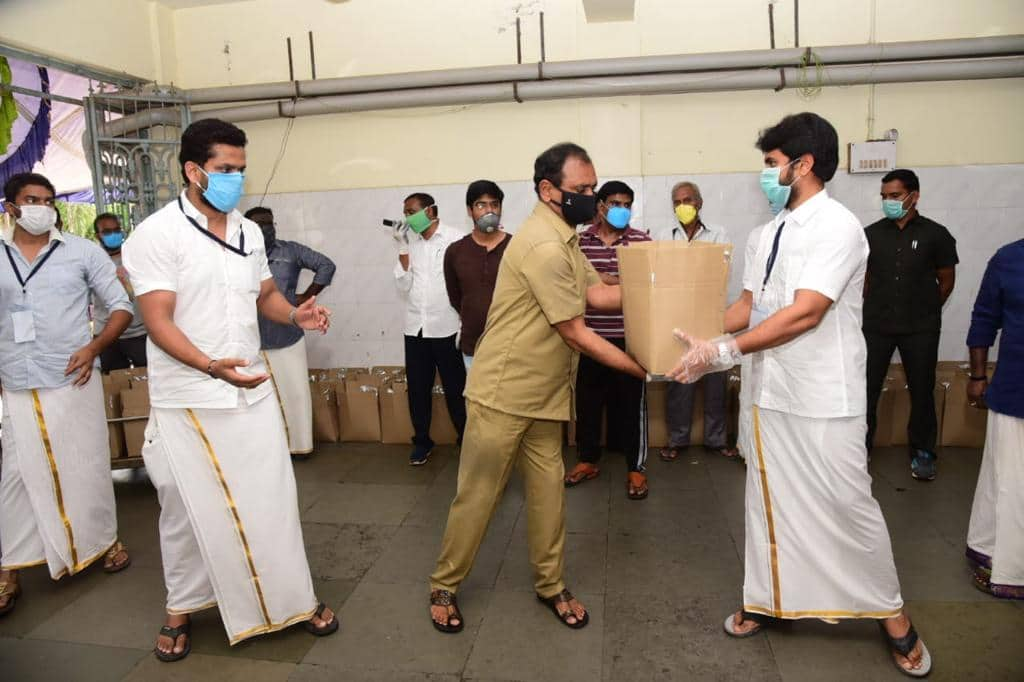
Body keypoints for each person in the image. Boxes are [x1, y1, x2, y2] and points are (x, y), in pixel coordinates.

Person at [668, 113, 931, 677]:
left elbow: (805, 314)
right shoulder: (767, 232)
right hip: (767, 396)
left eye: (771, 163)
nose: (766, 174)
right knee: (768, 505)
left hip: (822, 395)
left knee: (848, 504)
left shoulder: (838, 228)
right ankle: (769, 600)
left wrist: (722, 353)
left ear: (802, 164)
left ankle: (892, 615)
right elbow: (748, 307)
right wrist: (695, 337)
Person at [122, 119, 338, 662]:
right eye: (224, 171)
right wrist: (208, 365)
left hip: (250, 390)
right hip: (189, 397)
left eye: (240, 170)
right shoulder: (156, 235)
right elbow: (158, 320)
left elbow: (264, 295)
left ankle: (294, 598)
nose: (235, 180)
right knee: (185, 507)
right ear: (193, 171)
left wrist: (297, 313)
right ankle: (181, 608)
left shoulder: (246, 231)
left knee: (271, 499)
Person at [428, 142, 647, 634]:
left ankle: (550, 584)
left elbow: (600, 294)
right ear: (549, 190)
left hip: (546, 393)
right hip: (503, 392)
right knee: (479, 493)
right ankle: (444, 584)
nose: (593, 198)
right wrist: (645, 368)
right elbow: (576, 330)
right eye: (583, 190)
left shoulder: (566, 237)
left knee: (549, 493)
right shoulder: (545, 245)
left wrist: (664, 289)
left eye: (595, 188)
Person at [0, 172, 133, 618]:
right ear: (11, 206)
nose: (42, 206)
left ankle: (103, 542)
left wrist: (95, 347)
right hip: (16, 380)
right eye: (31, 199)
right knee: (16, 473)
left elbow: (121, 305)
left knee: (85, 463)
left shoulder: (82, 251)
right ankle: (10, 568)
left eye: (48, 200)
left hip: (72, 376)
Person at [864, 169, 958, 481]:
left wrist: (924, 310)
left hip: (920, 327)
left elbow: (945, 282)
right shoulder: (871, 234)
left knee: (921, 390)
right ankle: (859, 450)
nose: (888, 202)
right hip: (876, 325)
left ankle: (923, 453)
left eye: (894, 196)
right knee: (866, 389)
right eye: (884, 197)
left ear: (913, 196)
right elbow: (864, 282)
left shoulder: (936, 234)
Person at [563, 180, 651, 500]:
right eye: (615, 203)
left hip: (631, 339)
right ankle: (587, 460)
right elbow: (574, 283)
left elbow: (647, 288)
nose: (622, 210)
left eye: (627, 204)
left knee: (632, 406)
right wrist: (620, 282)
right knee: (587, 404)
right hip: (589, 337)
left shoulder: (642, 241)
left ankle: (636, 468)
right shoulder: (579, 242)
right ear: (599, 206)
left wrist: (603, 280)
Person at [246, 206, 336, 459]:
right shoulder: (239, 255)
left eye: (269, 223)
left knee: (295, 393)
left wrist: (306, 296)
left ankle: (299, 447)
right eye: (259, 224)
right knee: (260, 399)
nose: (266, 228)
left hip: (287, 334)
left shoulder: (290, 251)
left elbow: (326, 265)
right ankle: (268, 450)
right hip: (251, 340)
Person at [660, 181, 738, 461]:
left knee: (716, 378)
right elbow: (664, 276)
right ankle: (677, 439)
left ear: (700, 202)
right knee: (681, 379)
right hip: (678, 317)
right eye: (677, 201)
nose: (683, 206)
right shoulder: (664, 236)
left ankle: (716, 440)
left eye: (688, 200)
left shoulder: (719, 235)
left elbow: (720, 273)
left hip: (712, 315)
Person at [964, 237, 1024, 599]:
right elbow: (984, 319)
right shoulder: (1010, 258)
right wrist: (977, 375)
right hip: (1017, 389)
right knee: (1007, 479)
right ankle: (1006, 565)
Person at [392, 192, 466, 465]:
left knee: (456, 388)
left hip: (447, 327)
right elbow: (403, 285)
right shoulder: (409, 243)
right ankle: (422, 441)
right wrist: (401, 248)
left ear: (431, 211)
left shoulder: (455, 239)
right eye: (406, 213)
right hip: (415, 328)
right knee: (418, 389)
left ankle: (466, 440)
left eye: (412, 212)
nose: (408, 218)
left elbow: (464, 284)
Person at [443, 180, 510, 371]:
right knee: (478, 400)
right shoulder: (456, 252)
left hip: (513, 346)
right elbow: (456, 298)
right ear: (469, 210)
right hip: (474, 346)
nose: (489, 211)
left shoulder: (517, 247)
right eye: (481, 205)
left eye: (494, 204)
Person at [92, 212, 148, 371]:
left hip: (139, 332)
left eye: (117, 230)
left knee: (148, 380)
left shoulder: (135, 255)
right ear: (98, 235)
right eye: (107, 232)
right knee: (114, 384)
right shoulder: (94, 261)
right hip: (108, 334)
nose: (114, 235)